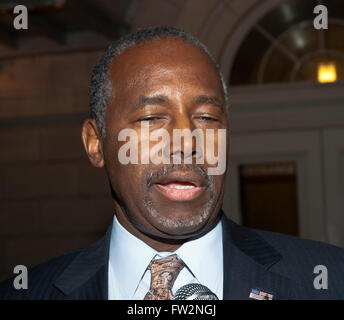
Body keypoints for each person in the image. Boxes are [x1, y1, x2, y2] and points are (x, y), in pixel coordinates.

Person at [1, 26, 344, 300]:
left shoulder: (329, 281)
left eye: (208, 117)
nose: (186, 141)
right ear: (96, 144)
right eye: (152, 118)